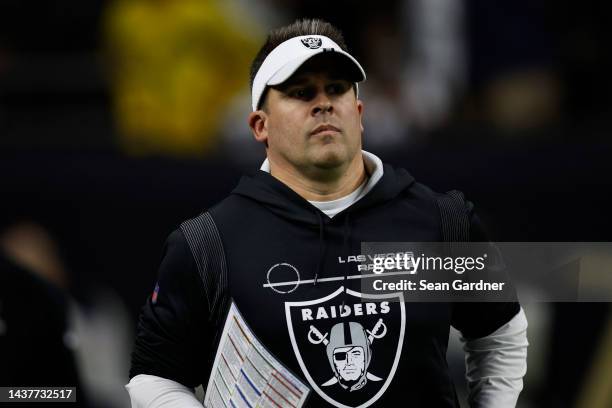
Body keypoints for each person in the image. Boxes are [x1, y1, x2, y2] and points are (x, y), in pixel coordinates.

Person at [126, 19, 528, 407]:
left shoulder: (438, 221)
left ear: (359, 112)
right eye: (301, 93)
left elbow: (499, 331)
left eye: (335, 89)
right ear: (259, 125)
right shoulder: (211, 244)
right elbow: (153, 377)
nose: (323, 104)